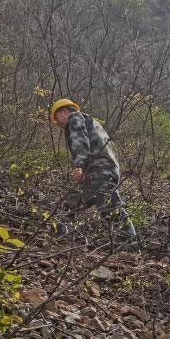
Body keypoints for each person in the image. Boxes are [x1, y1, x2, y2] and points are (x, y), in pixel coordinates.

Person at [50, 98, 136, 244]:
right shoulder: (88, 121)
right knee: (75, 202)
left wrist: (78, 165)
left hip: (99, 170)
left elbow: (80, 142)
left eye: (57, 119)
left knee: (108, 206)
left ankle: (131, 245)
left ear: (64, 111)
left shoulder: (75, 117)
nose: (58, 124)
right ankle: (58, 239)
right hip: (102, 170)